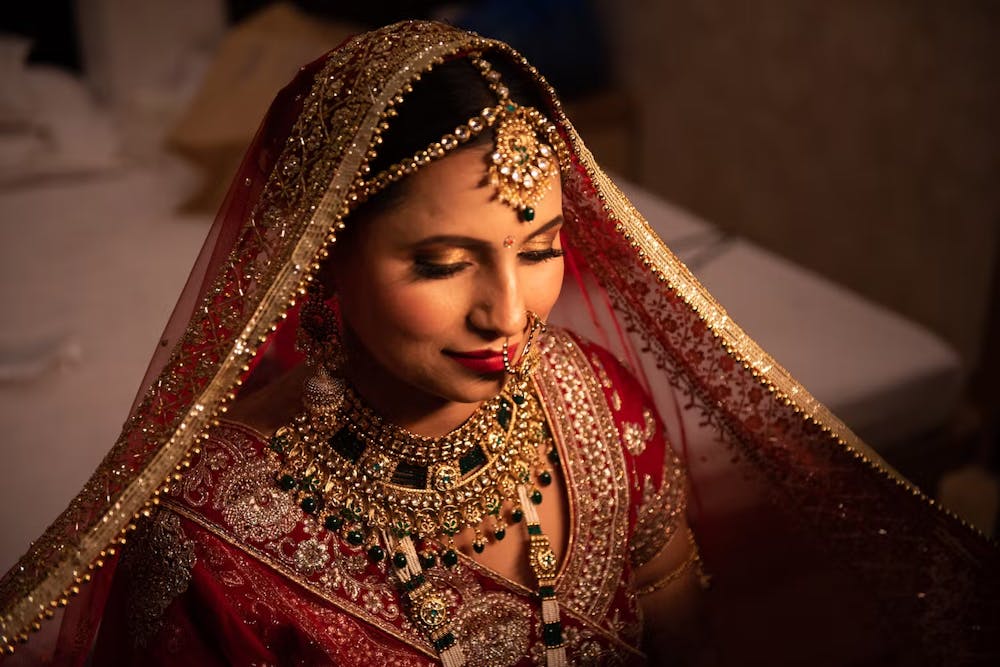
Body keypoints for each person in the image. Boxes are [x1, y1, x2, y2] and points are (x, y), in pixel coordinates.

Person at [1, 20, 997, 666]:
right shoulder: (211, 540)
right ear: (323, 256)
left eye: (540, 248)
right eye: (443, 262)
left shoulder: (596, 400)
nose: (510, 312)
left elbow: (684, 640)